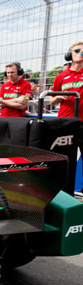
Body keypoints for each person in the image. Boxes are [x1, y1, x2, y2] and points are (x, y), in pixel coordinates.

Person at [51, 41, 83, 192]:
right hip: (65, 122)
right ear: (70, 55)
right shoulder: (61, 77)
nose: (81, 53)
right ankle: (60, 191)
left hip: (82, 123)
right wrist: (58, 98)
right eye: (77, 50)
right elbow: (51, 100)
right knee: (62, 158)